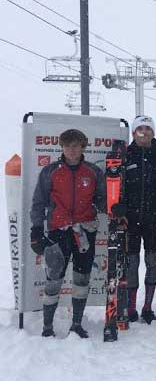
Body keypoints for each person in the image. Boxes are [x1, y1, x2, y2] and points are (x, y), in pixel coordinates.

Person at [30, 129, 106, 338]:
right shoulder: (50, 171)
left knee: (82, 278)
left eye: (76, 145)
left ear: (83, 147)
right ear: (61, 147)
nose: (72, 150)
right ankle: (47, 327)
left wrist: (114, 207)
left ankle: (77, 324)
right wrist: (36, 230)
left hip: (85, 231)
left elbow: (101, 199)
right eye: (68, 145)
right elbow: (38, 202)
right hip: (58, 231)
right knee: (54, 278)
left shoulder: (92, 172)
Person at [122, 115, 156, 324]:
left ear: (153, 132)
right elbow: (115, 185)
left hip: (154, 219)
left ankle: (147, 308)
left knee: (152, 263)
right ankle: (130, 308)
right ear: (133, 133)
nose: (144, 132)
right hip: (129, 220)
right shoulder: (125, 154)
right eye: (140, 128)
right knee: (131, 264)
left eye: (148, 129)